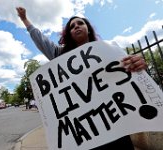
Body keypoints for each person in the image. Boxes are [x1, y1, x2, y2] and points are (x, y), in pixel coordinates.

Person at [16, 7, 147, 150]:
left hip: (116, 128)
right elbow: (41, 40)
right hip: (84, 135)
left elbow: (127, 74)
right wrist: (24, 20)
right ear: (69, 34)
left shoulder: (107, 51)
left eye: (80, 23)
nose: (76, 26)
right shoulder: (61, 56)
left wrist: (137, 64)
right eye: (72, 26)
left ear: (88, 29)